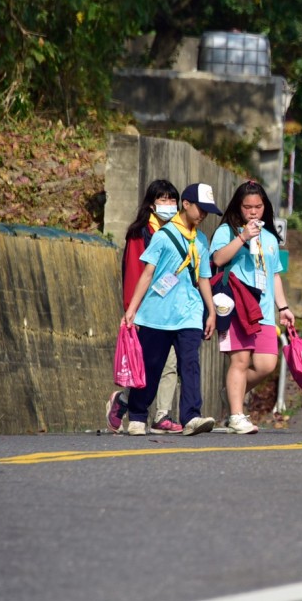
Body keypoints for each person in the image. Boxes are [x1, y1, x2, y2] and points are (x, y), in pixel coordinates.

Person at [120, 183, 221, 437]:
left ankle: (192, 416)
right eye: (201, 208)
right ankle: (138, 415)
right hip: (157, 314)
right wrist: (132, 309)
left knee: (190, 363)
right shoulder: (163, 236)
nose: (204, 215)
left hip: (189, 313)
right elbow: (147, 273)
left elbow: (204, 278)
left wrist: (210, 311)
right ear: (185, 204)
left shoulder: (201, 239)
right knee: (151, 366)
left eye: (207, 211)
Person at [210, 181, 295, 435]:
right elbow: (218, 259)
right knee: (240, 359)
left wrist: (284, 307)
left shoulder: (270, 238)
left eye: (258, 207)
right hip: (236, 306)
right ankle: (236, 415)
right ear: (239, 207)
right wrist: (243, 237)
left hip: (265, 311)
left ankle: (232, 393)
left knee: (267, 364)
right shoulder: (227, 231)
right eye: (248, 207)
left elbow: (275, 275)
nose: (253, 212)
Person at [107, 180, 186, 435]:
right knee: (149, 365)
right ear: (151, 204)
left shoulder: (181, 233)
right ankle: (125, 402)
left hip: (172, 309)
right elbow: (134, 273)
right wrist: (133, 311)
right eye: (163, 200)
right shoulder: (140, 233)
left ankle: (162, 414)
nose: (169, 205)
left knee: (170, 363)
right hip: (147, 311)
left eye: (173, 200)